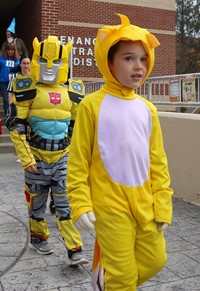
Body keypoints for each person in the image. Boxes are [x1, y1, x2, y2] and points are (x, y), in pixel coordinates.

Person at [67, 14, 174, 290]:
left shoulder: (148, 109)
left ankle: (107, 279)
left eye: (143, 58)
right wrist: (80, 203)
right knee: (124, 278)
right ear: (109, 62)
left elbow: (158, 162)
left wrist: (162, 203)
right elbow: (78, 160)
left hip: (145, 202)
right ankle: (115, 280)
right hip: (109, 204)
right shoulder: (92, 105)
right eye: (128, 58)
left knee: (156, 260)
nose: (138, 66)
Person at [5, 35, 88, 266]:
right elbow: (16, 124)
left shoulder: (74, 90)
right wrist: (26, 156)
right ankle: (39, 238)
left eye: (56, 61)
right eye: (44, 60)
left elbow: (78, 124)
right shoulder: (26, 88)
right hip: (36, 157)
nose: (50, 67)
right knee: (37, 205)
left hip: (62, 158)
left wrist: (76, 154)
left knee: (65, 205)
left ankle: (75, 249)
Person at [0, 42, 20, 116]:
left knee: (14, 100)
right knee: (6, 100)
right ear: (6, 50)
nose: (10, 51)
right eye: (8, 50)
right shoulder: (1, 58)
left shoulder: (18, 59)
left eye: (12, 50)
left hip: (14, 82)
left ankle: (14, 116)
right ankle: (7, 116)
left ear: (15, 51)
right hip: (4, 83)